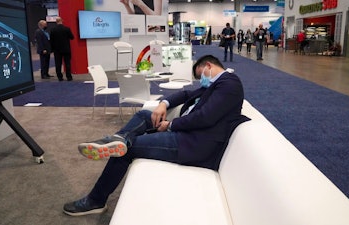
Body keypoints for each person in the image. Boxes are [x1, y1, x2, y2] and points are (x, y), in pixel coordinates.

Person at [63, 55, 250, 216]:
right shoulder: (215, 85)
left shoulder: (229, 84)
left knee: (126, 150)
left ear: (209, 66)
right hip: (186, 134)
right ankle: (119, 138)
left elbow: (205, 117)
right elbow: (186, 94)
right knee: (145, 115)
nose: (201, 79)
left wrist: (171, 125)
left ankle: (96, 200)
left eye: (200, 75)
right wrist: (163, 103)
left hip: (193, 144)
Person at [50, 17, 74, 81]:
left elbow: (51, 40)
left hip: (57, 50)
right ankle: (69, 76)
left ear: (56, 21)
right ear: (62, 21)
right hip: (66, 49)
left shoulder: (53, 30)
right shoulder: (67, 29)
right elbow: (72, 37)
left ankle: (60, 77)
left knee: (58, 64)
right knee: (67, 63)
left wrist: (52, 49)